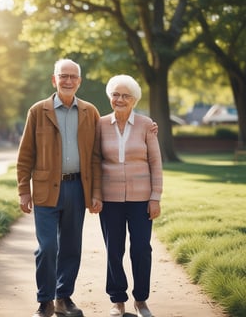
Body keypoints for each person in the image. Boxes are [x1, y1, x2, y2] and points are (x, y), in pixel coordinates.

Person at [16, 58, 103, 317]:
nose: (67, 81)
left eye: (72, 76)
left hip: (77, 188)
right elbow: (25, 155)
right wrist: (23, 190)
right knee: (47, 247)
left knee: (71, 246)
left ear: (79, 81)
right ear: (54, 80)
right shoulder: (38, 111)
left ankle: (64, 298)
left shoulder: (90, 112)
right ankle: (45, 300)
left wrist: (96, 192)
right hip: (45, 190)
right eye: (62, 76)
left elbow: (97, 156)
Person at [92, 75, 163, 317]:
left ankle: (141, 300)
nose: (120, 99)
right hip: (109, 199)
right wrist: (95, 194)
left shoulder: (146, 125)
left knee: (142, 249)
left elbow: (155, 162)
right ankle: (117, 300)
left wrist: (156, 197)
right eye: (115, 94)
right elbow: (93, 161)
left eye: (125, 95)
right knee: (114, 249)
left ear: (134, 100)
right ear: (110, 97)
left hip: (142, 199)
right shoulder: (98, 124)